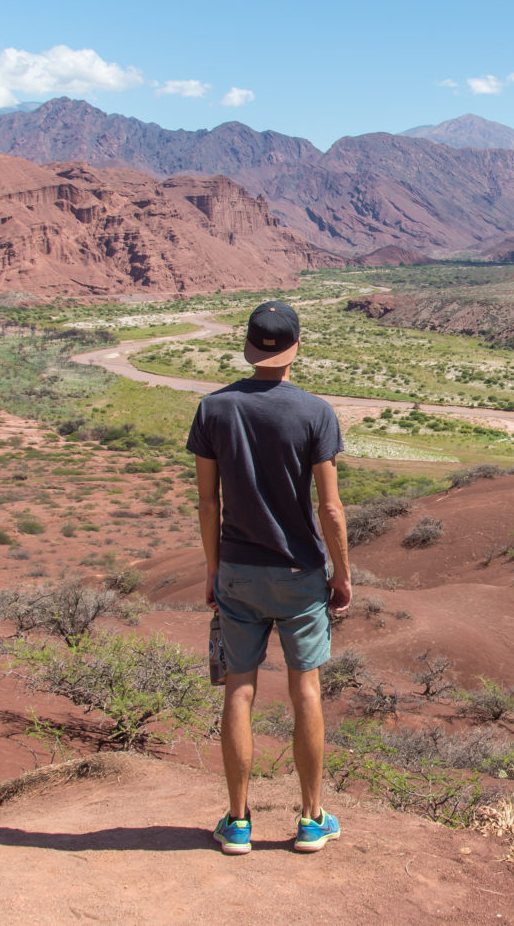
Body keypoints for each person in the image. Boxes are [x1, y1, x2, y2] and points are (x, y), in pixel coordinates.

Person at [187, 300, 352, 855]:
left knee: (239, 689)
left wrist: (213, 569)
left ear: (250, 347)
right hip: (299, 572)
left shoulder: (214, 409)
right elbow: (330, 509)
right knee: (306, 689)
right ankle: (311, 820)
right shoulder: (315, 412)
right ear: (295, 347)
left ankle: (237, 823)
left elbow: (207, 503)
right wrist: (342, 574)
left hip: (237, 570)